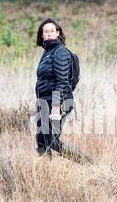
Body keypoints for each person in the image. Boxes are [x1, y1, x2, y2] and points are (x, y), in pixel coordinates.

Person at [35, 18, 93, 164]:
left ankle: (88, 164)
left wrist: (55, 107)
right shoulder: (47, 52)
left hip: (59, 102)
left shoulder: (60, 52)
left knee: (52, 140)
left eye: (51, 31)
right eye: (45, 32)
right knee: (41, 139)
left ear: (58, 33)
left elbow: (62, 81)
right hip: (44, 102)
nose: (48, 34)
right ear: (42, 35)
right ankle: (45, 172)